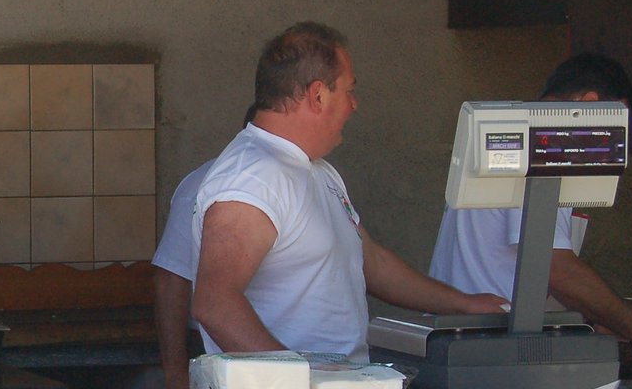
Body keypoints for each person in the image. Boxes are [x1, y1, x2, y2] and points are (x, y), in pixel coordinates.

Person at [188, 22, 507, 362]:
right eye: (349, 90)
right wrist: (299, 385)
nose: (354, 105)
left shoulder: (316, 170)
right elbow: (216, 304)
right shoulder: (251, 179)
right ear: (318, 95)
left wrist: (465, 304)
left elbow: (372, 262)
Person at [429, 52, 632, 376]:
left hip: (471, 343)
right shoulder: (540, 146)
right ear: (591, 104)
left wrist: (594, 318)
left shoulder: (523, 137)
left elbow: (529, 271)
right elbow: (553, 266)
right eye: (619, 127)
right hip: (487, 349)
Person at [152, 105, 255, 389]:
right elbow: (171, 280)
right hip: (226, 359)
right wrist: (175, 376)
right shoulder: (206, 185)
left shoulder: (320, 177)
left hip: (322, 366)